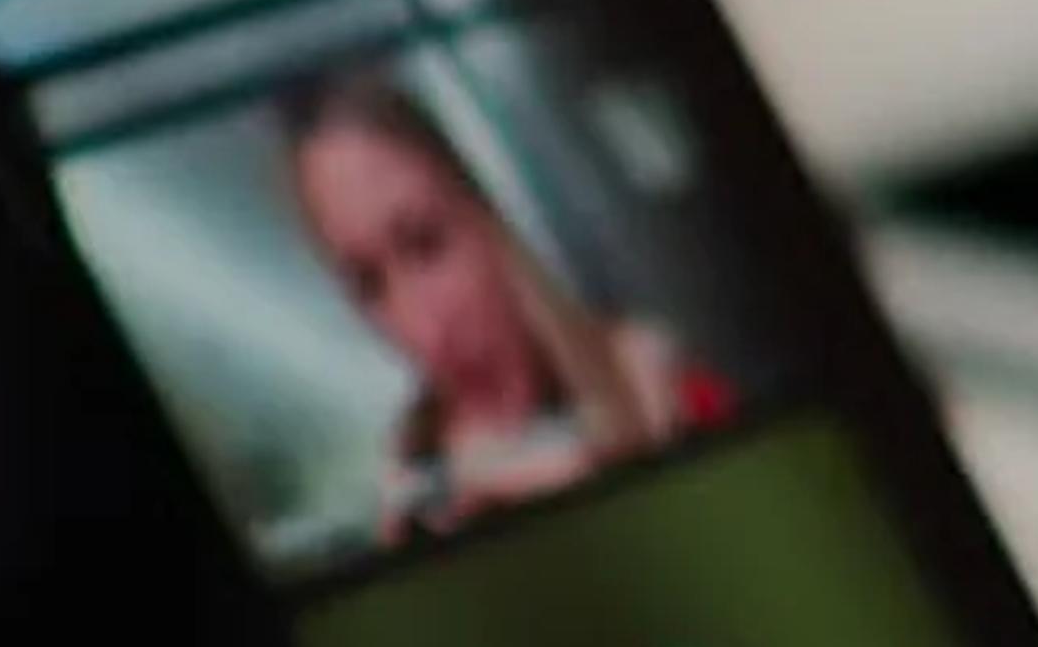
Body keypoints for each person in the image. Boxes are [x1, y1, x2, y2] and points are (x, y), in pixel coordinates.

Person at [281, 70, 732, 542]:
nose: (423, 327)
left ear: (490, 213)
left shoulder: (660, 388)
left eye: (426, 243)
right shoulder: (419, 496)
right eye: (369, 285)